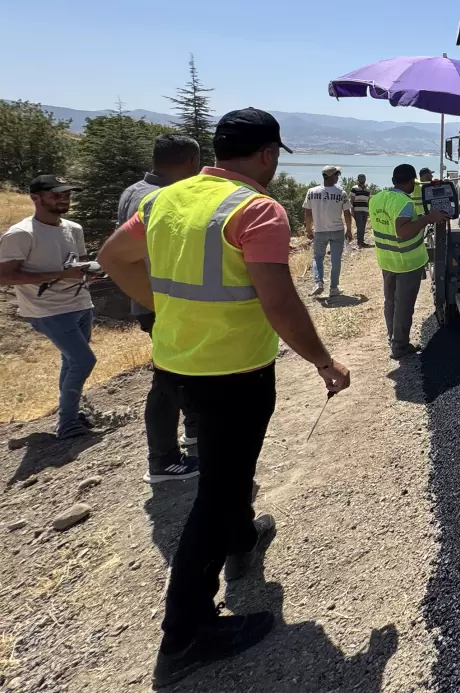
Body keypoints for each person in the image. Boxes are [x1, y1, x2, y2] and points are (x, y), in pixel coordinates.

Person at [99, 108, 351, 688]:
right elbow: (280, 301)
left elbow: (114, 258)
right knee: (216, 492)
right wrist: (323, 360)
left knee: (224, 469)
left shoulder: (165, 199)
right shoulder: (257, 209)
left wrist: (164, 309)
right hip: (235, 370)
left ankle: (242, 542)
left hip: (181, 363)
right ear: (267, 155)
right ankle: (184, 635)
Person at [117, 134, 203, 483]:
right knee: (168, 379)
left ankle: (194, 431)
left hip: (151, 298)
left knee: (181, 371)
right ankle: (163, 459)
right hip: (162, 300)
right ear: (189, 163)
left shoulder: (133, 191)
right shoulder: (160, 198)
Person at [0, 175, 99, 439]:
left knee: (71, 362)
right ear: (35, 197)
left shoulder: (73, 228)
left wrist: (90, 273)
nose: (64, 199)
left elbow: (78, 266)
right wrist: (59, 275)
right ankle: (67, 423)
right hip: (46, 310)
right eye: (56, 194)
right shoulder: (21, 233)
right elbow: (5, 277)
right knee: (83, 360)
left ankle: (71, 414)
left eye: (67, 194)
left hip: (79, 302)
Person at [370, 164, 449, 359]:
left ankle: (393, 338)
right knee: (404, 304)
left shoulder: (377, 198)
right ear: (411, 182)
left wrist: (422, 218)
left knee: (391, 302)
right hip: (406, 262)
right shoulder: (404, 202)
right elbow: (403, 231)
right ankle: (400, 346)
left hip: (387, 260)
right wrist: (428, 218)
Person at [302, 165, 353, 297]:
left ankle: (318, 282)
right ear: (331, 176)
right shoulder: (341, 193)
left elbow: (307, 213)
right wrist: (349, 230)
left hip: (319, 230)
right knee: (336, 260)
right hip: (337, 231)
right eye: (336, 174)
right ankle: (333, 288)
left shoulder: (311, 192)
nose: (338, 177)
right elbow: (347, 213)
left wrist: (308, 229)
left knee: (318, 257)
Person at [349, 174, 371, 247]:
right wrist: (352, 210)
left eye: (363, 178)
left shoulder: (368, 189)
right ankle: (359, 242)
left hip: (365, 210)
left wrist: (369, 211)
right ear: (358, 179)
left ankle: (362, 241)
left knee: (363, 226)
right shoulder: (354, 188)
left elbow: (368, 201)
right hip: (357, 210)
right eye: (361, 178)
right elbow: (351, 200)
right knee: (360, 226)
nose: (362, 179)